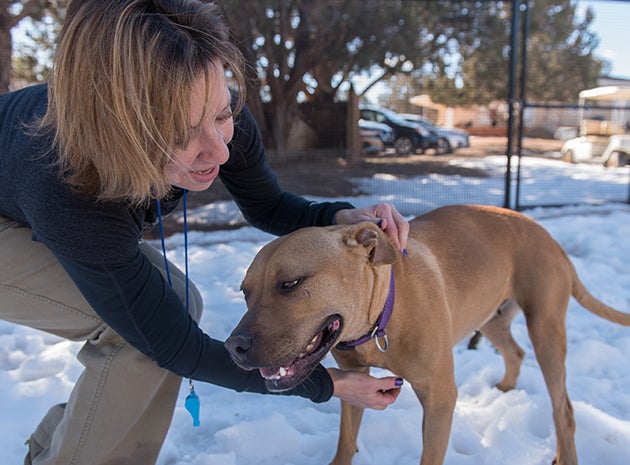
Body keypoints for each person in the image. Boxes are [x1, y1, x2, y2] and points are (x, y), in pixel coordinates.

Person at [0, 1, 410, 464]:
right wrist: (326, 384)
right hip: (19, 207)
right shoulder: (66, 186)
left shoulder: (213, 111)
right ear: (116, 133)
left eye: (220, 114)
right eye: (180, 132)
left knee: (171, 305)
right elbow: (173, 345)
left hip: (25, 195)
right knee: (138, 338)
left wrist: (340, 217)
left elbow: (268, 205)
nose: (218, 149)